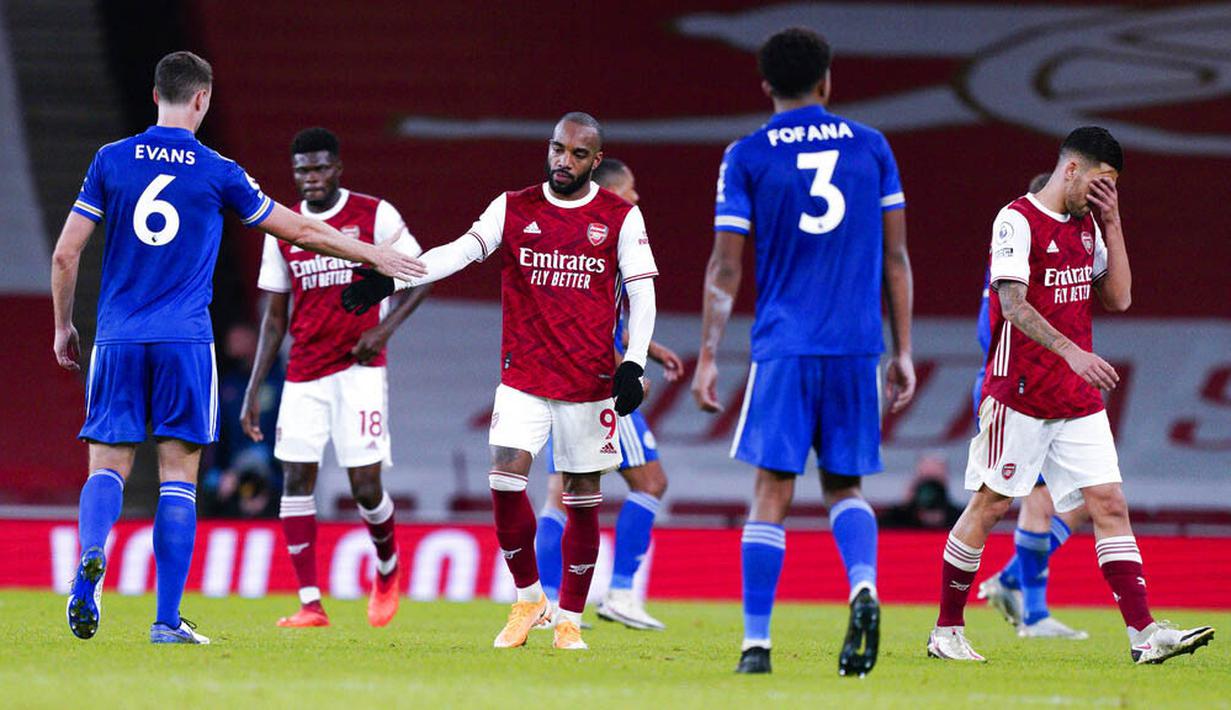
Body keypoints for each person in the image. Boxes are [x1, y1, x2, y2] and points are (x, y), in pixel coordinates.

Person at [52, 51, 423, 645]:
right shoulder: (218, 170)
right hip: (184, 340)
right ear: (202, 100)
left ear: (154, 96)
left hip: (118, 335)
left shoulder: (110, 160)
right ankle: (167, 621)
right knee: (178, 474)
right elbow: (299, 229)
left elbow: (66, 254)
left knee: (108, 466)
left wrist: (64, 327)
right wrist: (372, 254)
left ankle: (92, 559)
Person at [342, 112, 658, 651]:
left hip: (590, 383)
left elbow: (643, 292)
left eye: (578, 154)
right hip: (524, 377)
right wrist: (391, 278)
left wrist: (633, 364)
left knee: (583, 497)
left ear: (595, 162)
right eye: (558, 149)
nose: (564, 160)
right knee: (504, 480)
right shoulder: (512, 207)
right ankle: (530, 597)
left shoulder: (619, 217)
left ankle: (570, 622)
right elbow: (458, 252)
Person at [927, 126, 1214, 665]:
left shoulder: (1089, 225)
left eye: (1114, 188)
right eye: (1102, 184)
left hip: (1076, 398)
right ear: (1072, 169)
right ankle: (946, 629)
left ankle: (1144, 634)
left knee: (1109, 504)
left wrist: (1113, 220)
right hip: (1020, 392)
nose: (1104, 194)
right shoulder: (1016, 220)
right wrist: (1071, 351)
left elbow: (1121, 297)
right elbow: (1012, 305)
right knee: (990, 506)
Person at [691, 27, 915, 676]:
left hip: (785, 345)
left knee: (771, 491)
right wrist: (901, 350)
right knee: (844, 485)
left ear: (764, 85)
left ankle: (755, 645)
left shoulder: (746, 156)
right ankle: (863, 585)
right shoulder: (872, 148)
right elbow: (895, 259)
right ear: (827, 80)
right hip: (854, 344)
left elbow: (725, 268)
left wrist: (708, 353)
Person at [242, 127, 432, 628]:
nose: (312, 178)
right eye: (303, 170)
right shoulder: (283, 227)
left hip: (360, 369)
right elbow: (274, 318)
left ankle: (388, 569)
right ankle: (310, 603)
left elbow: (422, 274)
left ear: (338, 168)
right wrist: (254, 389)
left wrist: (383, 330)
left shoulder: (374, 214)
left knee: (365, 485)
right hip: (304, 373)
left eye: (321, 168)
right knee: (295, 478)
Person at [533, 158, 685, 631]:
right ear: (613, 193)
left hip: (561, 379)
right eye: (632, 189)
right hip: (599, 383)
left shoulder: (573, 235)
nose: (637, 197)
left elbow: (601, 318)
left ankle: (548, 602)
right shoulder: (613, 236)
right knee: (650, 483)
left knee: (559, 494)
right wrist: (628, 371)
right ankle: (619, 592)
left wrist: (650, 349)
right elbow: (594, 328)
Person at [975, 172, 1091, 640]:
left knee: (1078, 498)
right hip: (1017, 389)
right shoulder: (1016, 251)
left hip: (1050, 389)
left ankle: (1012, 586)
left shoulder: (1061, 259)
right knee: (1033, 499)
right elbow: (992, 330)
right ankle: (1031, 611)